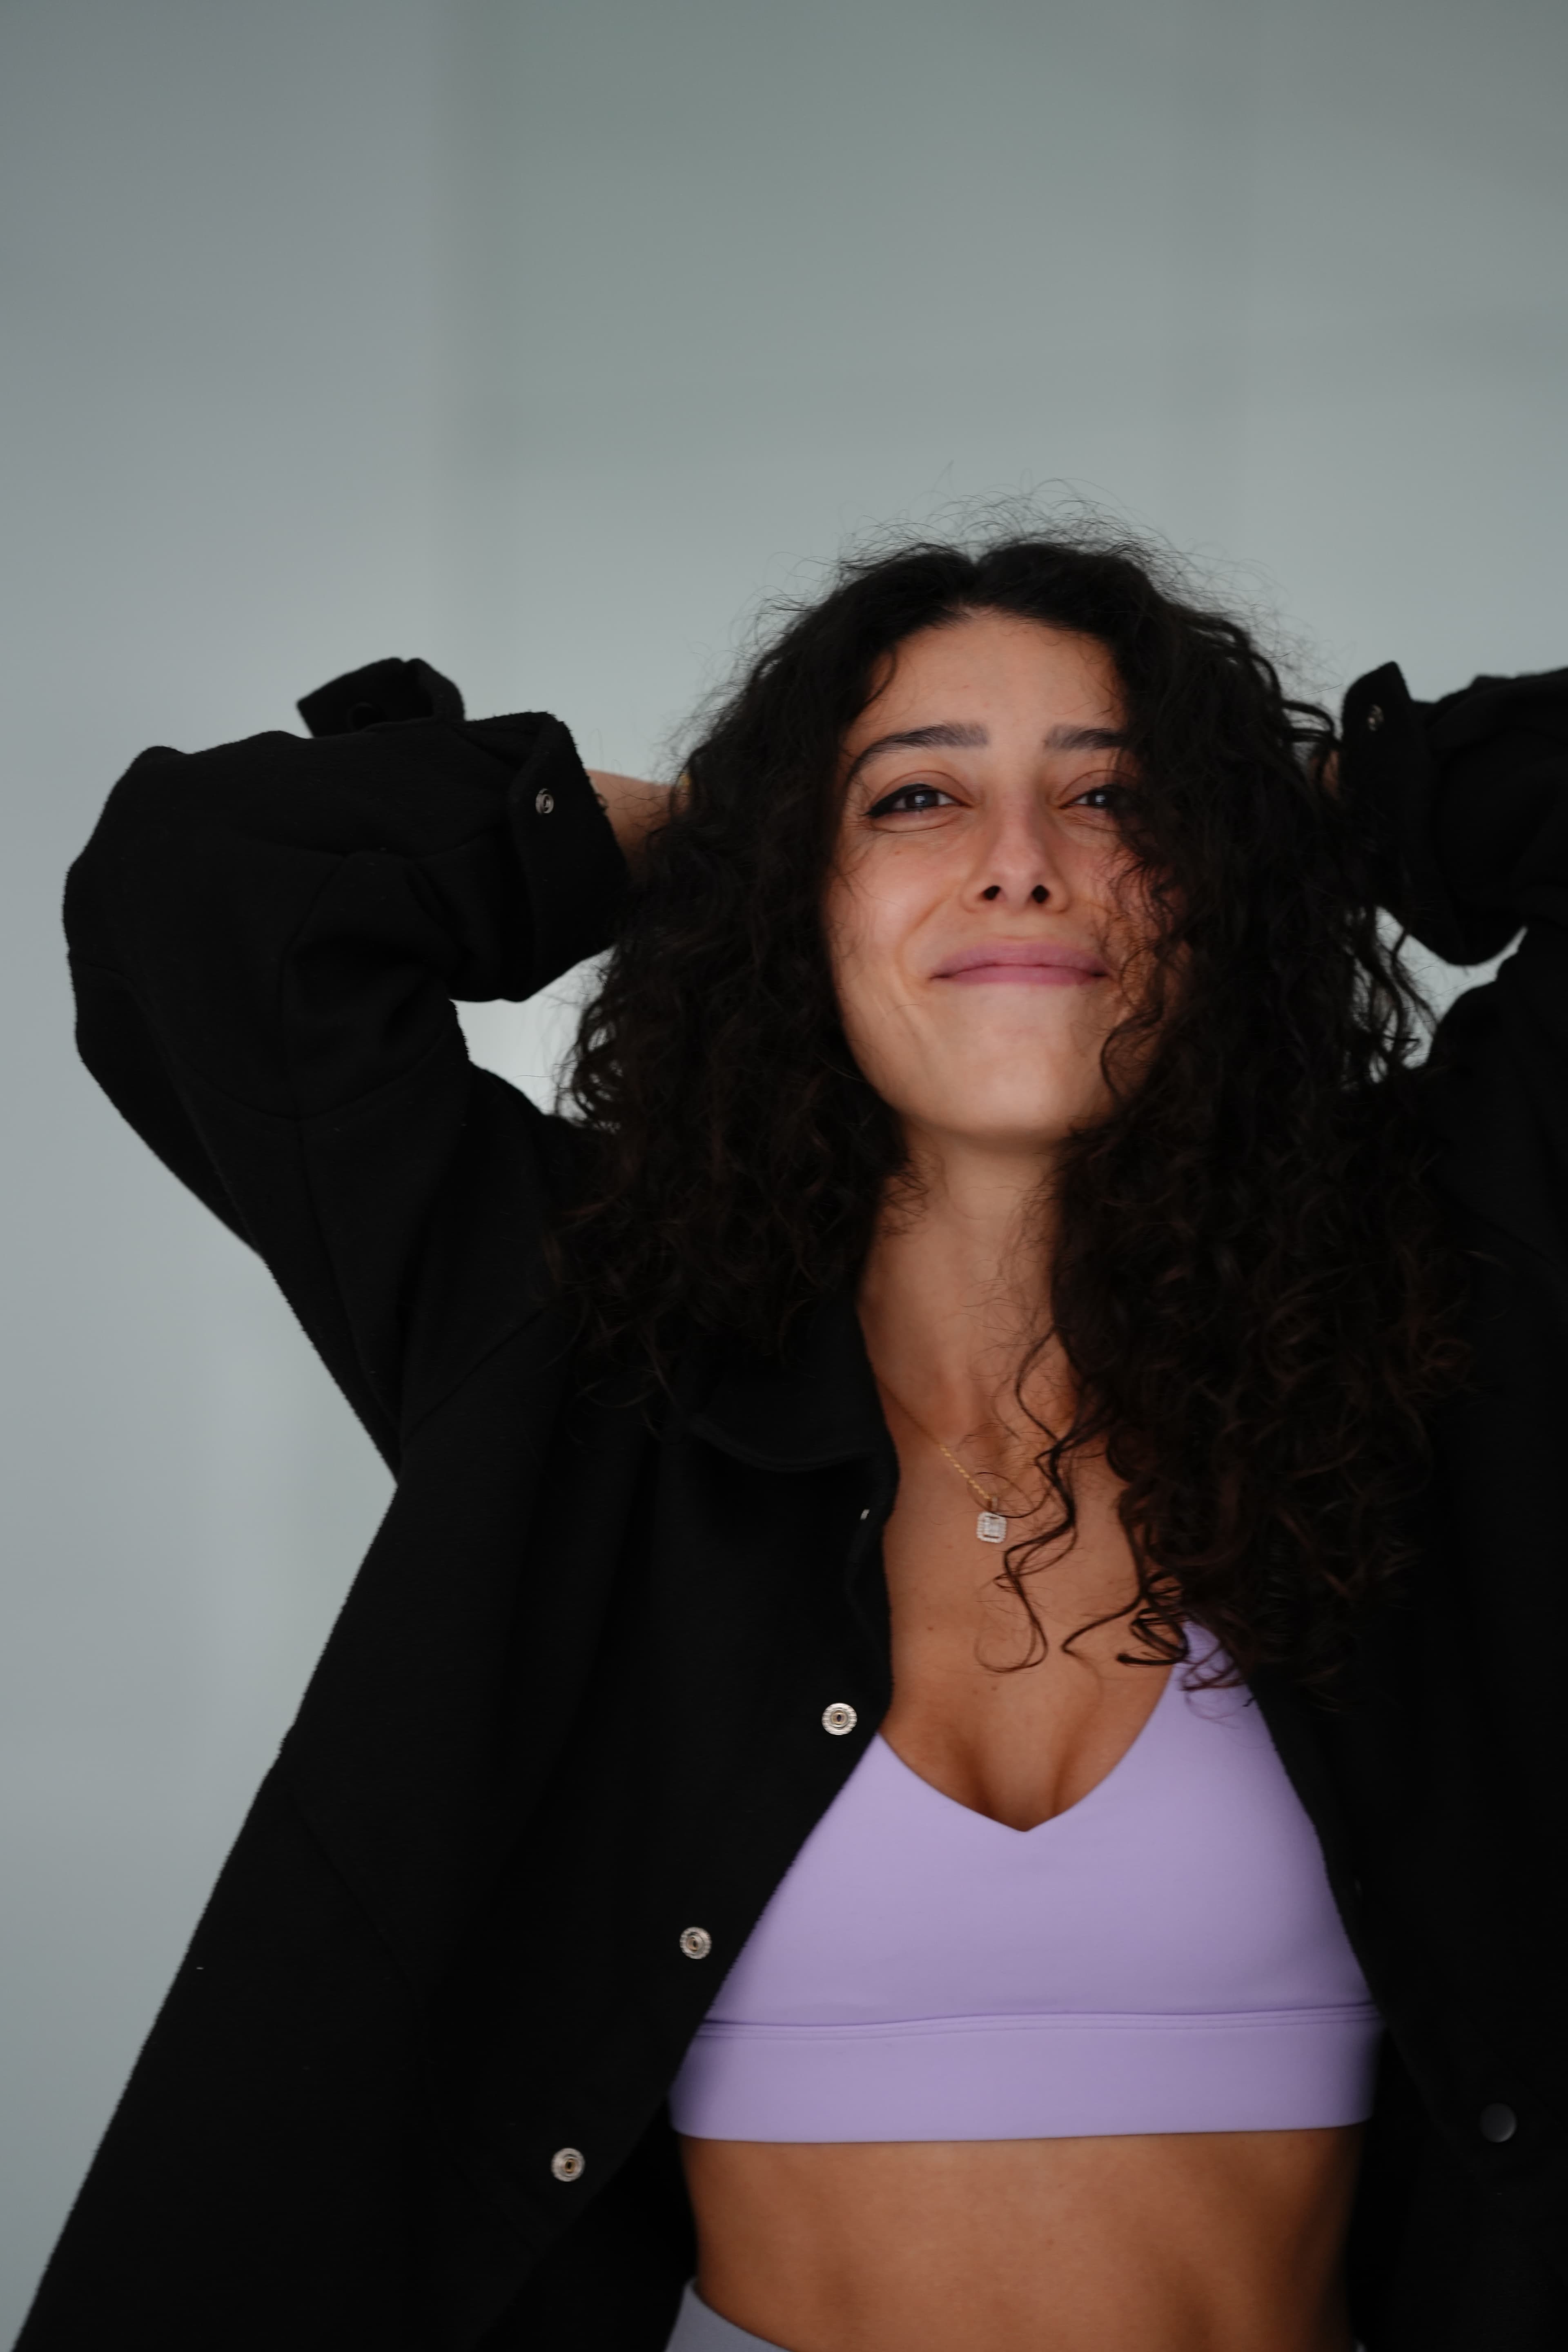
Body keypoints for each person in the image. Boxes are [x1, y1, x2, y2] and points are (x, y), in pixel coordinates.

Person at [17, 530, 1566, 2351]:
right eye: (914, 800)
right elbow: (200, 891)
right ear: (794, 900)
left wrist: (1294, 807)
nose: (1020, 861)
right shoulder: (587, 1338)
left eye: (1117, 800)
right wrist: (729, 827)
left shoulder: (1432, 1304)